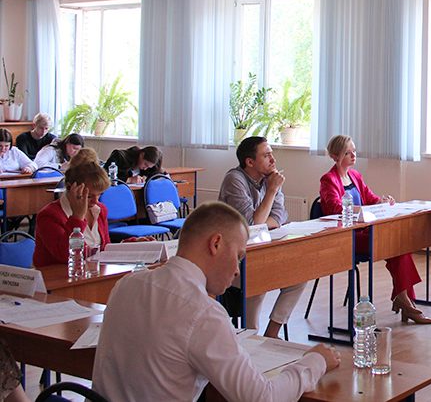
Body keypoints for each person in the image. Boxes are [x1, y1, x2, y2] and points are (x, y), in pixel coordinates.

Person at [93, 201, 341, 402]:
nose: (237, 270)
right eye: (238, 256)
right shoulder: (202, 313)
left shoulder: (127, 284)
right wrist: (315, 361)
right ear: (216, 244)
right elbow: (262, 397)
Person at [319, 135, 431, 325]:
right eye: (348, 153)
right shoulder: (328, 179)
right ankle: (405, 302)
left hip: (364, 229)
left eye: (354, 151)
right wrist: (363, 209)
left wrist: (382, 201)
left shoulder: (355, 175)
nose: (353, 156)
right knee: (393, 245)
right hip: (346, 236)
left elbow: (370, 199)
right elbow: (334, 208)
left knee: (400, 244)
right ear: (335, 156)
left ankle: (405, 300)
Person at [218, 136, 305, 339]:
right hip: (232, 258)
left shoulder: (270, 177)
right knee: (258, 275)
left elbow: (280, 216)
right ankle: (251, 337)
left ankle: (271, 333)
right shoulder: (235, 180)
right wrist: (272, 190)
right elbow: (251, 225)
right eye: (266, 155)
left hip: (260, 251)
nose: (273, 160)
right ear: (250, 162)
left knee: (300, 274)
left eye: (272, 154)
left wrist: (261, 221)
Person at [32, 148, 111, 267]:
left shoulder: (99, 210)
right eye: (89, 196)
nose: (96, 201)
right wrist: (77, 217)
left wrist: (130, 244)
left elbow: (104, 249)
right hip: (56, 275)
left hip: (89, 272)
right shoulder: (49, 215)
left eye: (99, 195)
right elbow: (65, 255)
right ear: (70, 188)